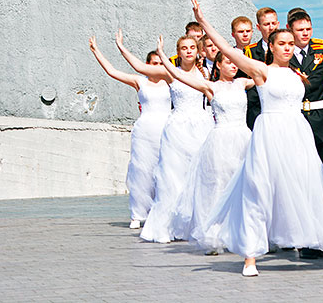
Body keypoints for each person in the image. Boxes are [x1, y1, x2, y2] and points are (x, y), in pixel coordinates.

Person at [190, 0, 323, 277]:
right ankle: (250, 257)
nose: (288, 47)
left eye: (291, 43)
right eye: (282, 44)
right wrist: (203, 20)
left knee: (311, 187)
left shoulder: (296, 74)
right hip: (270, 135)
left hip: (297, 134)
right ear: (271, 46)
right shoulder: (260, 70)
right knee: (259, 191)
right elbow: (227, 49)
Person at [118, 31, 212, 243]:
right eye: (184, 48)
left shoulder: (205, 72)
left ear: (198, 52)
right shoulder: (171, 72)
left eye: (192, 48)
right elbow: (140, 68)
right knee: (173, 178)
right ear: (178, 53)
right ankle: (170, 225)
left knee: (198, 176)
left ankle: (197, 224)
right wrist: (122, 48)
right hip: (177, 128)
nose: (188, 51)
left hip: (200, 126)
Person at [159, 52, 254, 248]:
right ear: (218, 65)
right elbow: (180, 77)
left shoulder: (242, 83)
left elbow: (265, 75)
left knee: (245, 184)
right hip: (220, 140)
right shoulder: (211, 86)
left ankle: (244, 232)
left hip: (243, 137)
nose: (233, 66)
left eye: (235, 62)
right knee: (218, 185)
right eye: (228, 62)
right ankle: (214, 235)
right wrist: (162, 54)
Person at [87, 38, 171, 229]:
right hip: (145, 130)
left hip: (166, 128)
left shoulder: (170, 80)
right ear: (147, 65)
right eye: (154, 64)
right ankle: (138, 213)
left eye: (160, 64)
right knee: (141, 171)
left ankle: (161, 212)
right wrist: (96, 51)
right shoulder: (139, 81)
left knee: (165, 171)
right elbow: (112, 71)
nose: (157, 67)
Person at [286, 10, 323, 179]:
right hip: (295, 117)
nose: (305, 33)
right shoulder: (284, 52)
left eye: (308, 29)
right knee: (298, 172)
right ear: (290, 30)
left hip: (320, 117)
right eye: (300, 30)